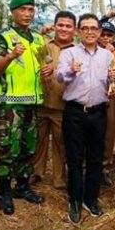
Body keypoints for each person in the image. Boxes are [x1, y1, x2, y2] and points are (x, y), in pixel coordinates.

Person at [57, 13, 115, 224]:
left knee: (95, 158)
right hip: (74, 112)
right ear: (78, 31)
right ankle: (74, 200)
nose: (90, 32)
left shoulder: (107, 56)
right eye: (85, 28)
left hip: (98, 112)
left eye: (94, 28)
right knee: (74, 159)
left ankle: (90, 199)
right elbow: (60, 76)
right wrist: (71, 71)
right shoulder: (69, 54)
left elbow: (113, 83)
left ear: (100, 32)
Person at [0, 0, 46, 215]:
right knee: (7, 149)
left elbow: (45, 65)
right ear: (13, 12)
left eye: (31, 10)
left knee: (28, 147)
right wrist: (11, 56)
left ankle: (23, 186)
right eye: (22, 9)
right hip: (9, 105)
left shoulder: (38, 39)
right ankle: (4, 191)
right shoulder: (2, 37)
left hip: (32, 102)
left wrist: (48, 71)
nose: (27, 14)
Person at [31, 11, 76, 190]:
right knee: (38, 139)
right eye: (60, 25)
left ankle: (59, 177)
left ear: (75, 30)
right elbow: (30, 46)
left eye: (68, 26)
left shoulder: (76, 50)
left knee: (60, 142)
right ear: (55, 26)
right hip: (42, 100)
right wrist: (41, 32)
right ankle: (36, 172)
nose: (64, 29)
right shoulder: (44, 43)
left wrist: (56, 68)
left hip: (62, 104)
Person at [99, 16, 115, 186]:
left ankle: (104, 168)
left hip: (111, 96)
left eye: (109, 34)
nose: (105, 37)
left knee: (109, 133)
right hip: (92, 98)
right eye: (103, 34)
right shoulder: (86, 50)